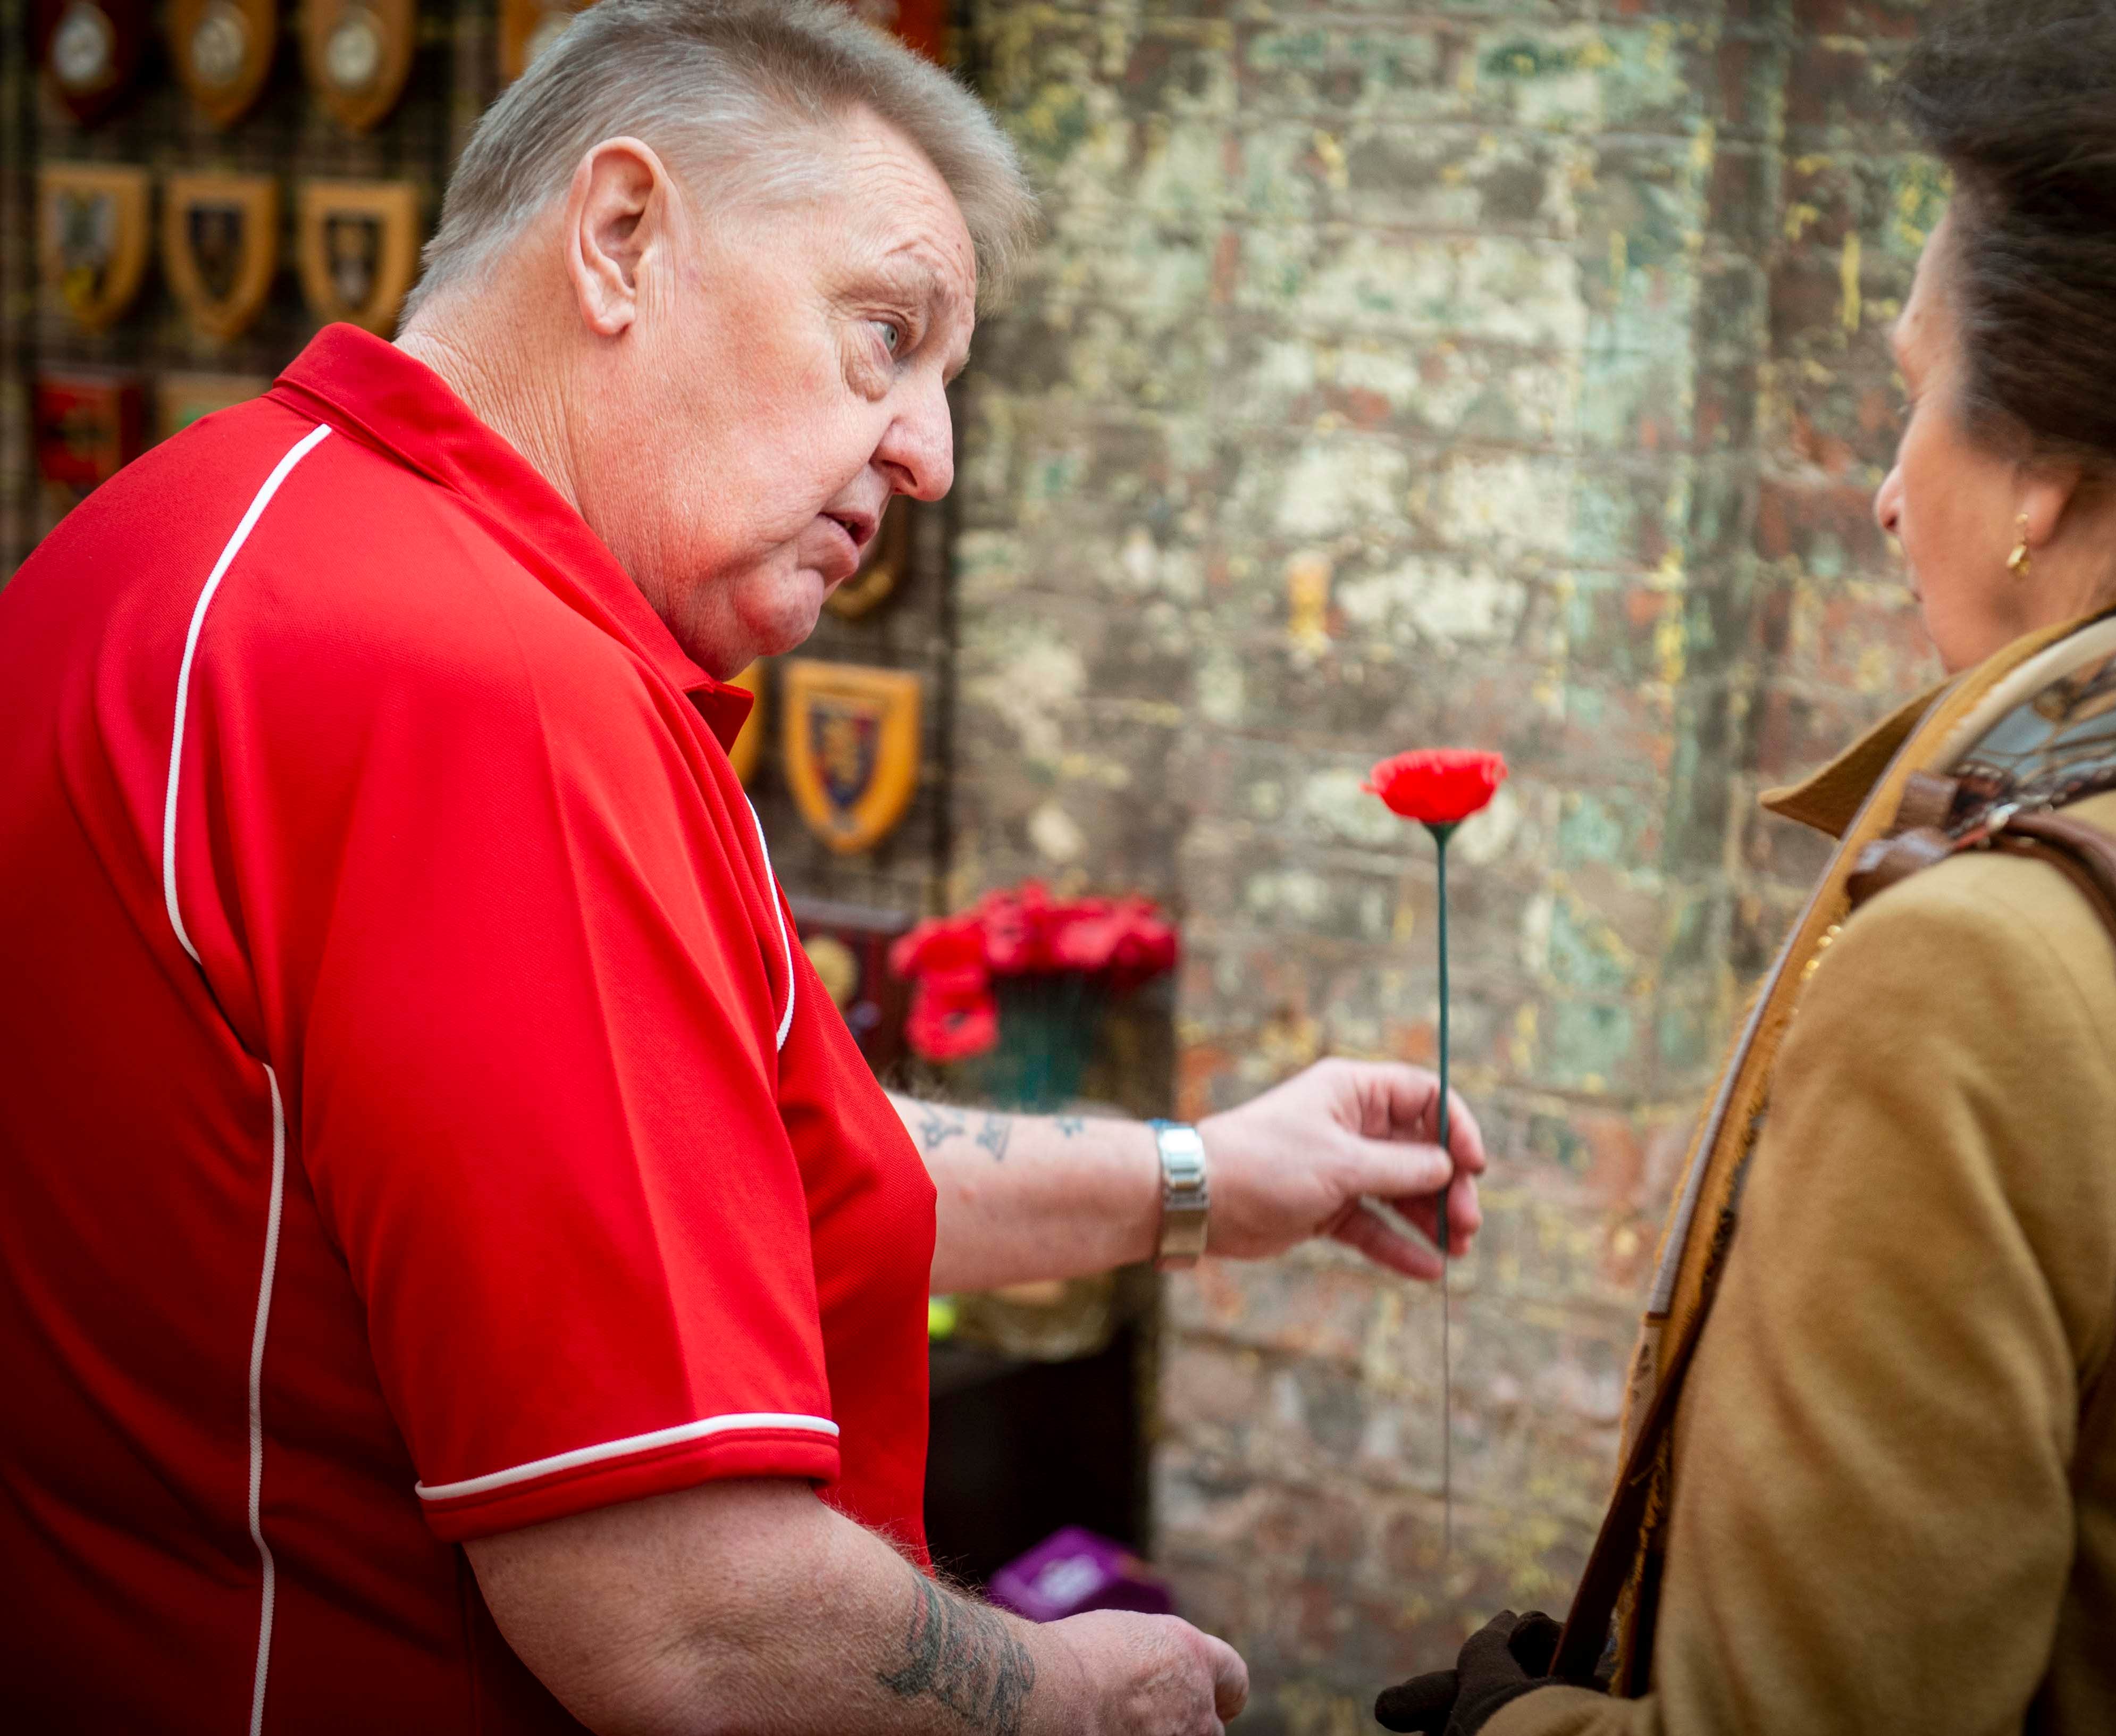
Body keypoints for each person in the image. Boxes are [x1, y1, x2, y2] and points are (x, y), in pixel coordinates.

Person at [0, 3, 1486, 1730]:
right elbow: (685, 1615)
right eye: (886, 335)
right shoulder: (486, 690)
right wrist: (1058, 1690)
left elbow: (726, 1166)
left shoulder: (186, 527)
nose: (929, 452)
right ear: (621, 240)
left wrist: (1208, 1174)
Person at [1379, 0, 2116, 1732]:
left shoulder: (1986, 966)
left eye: (1912, 394)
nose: (1888, 489)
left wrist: (1506, 1722)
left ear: (2040, 467)